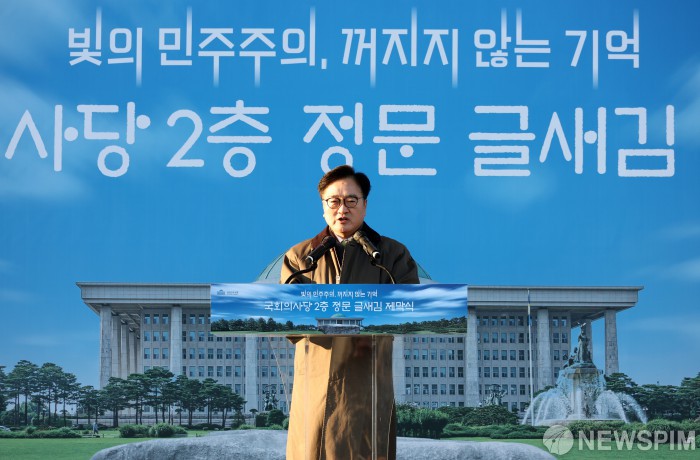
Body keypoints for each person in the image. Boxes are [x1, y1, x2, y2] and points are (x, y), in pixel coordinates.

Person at [281, 165, 418, 460]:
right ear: (323, 207)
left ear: (365, 205)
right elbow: (288, 324)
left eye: (351, 201)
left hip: (368, 383)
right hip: (315, 385)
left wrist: (332, 317)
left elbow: (408, 314)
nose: (342, 209)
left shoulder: (392, 255)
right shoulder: (300, 257)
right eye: (334, 201)